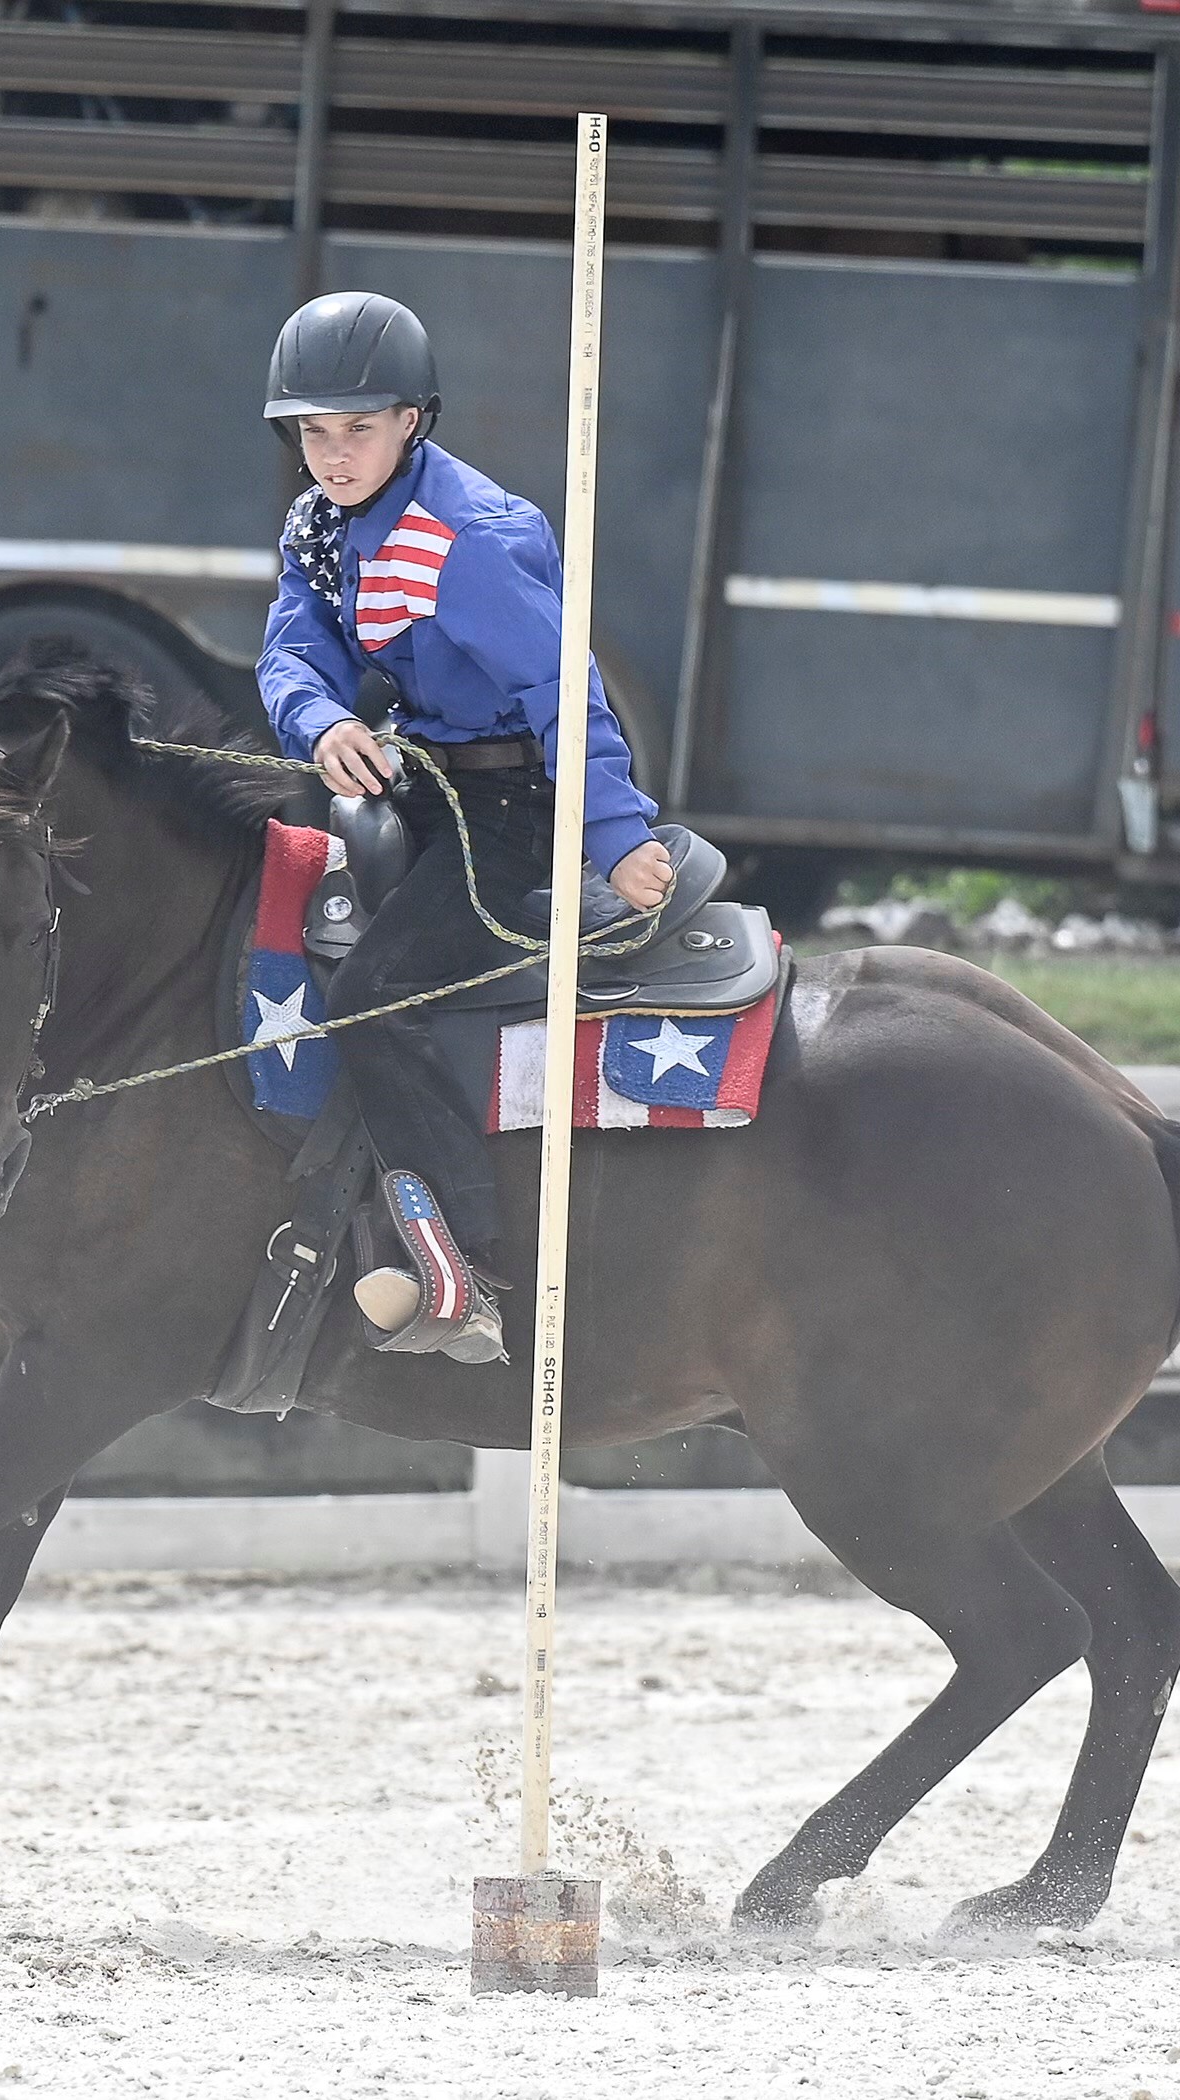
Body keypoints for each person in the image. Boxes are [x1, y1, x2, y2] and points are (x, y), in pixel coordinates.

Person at [257, 290, 673, 1362]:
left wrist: (615, 834)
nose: (333, 454)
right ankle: (360, 1217)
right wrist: (325, 719)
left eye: (357, 428)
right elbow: (292, 651)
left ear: (413, 421)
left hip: (518, 803)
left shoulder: (471, 540)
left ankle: (471, 1262)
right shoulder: (320, 529)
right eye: (312, 432)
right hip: (420, 789)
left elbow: (562, 690)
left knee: (373, 994)